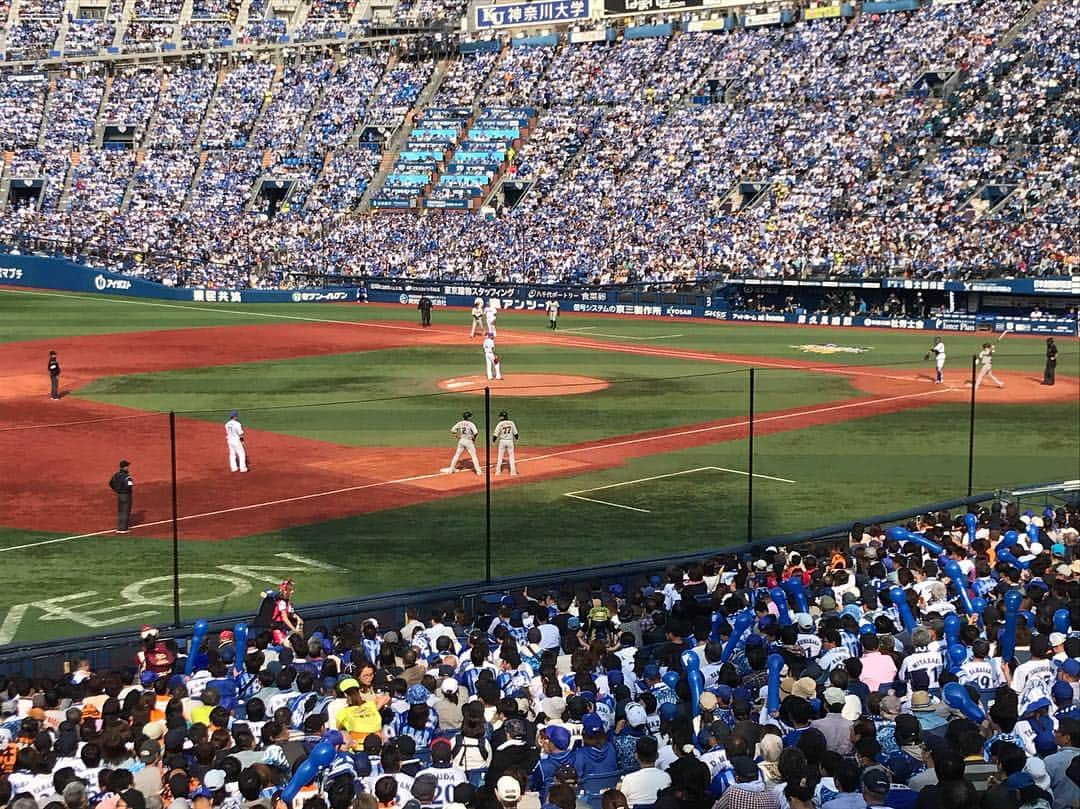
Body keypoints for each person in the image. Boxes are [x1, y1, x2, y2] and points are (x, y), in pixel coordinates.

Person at [446, 411, 482, 475]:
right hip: (468, 441)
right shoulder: (471, 424)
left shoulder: (460, 423)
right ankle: (478, 472)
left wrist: (457, 436)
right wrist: (474, 438)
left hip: (461, 441)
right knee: (474, 456)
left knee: (457, 454)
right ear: (469, 417)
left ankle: (451, 470)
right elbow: (476, 432)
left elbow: (453, 430)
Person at [109, 459, 134, 533]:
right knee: (125, 511)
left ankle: (119, 527)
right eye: (127, 466)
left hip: (119, 495)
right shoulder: (127, 476)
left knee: (120, 511)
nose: (128, 468)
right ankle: (123, 529)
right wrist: (126, 490)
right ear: (125, 467)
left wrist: (116, 490)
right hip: (126, 495)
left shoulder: (116, 475)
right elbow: (129, 486)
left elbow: (110, 483)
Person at [492, 410, 518, 476]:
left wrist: (494, 441)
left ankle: (497, 472)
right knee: (511, 456)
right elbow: (516, 434)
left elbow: (495, 435)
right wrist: (516, 439)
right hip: (510, 441)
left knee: (500, 456)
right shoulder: (511, 423)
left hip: (502, 441)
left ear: (502, 417)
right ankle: (513, 472)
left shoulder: (500, 424)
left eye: (500, 416)